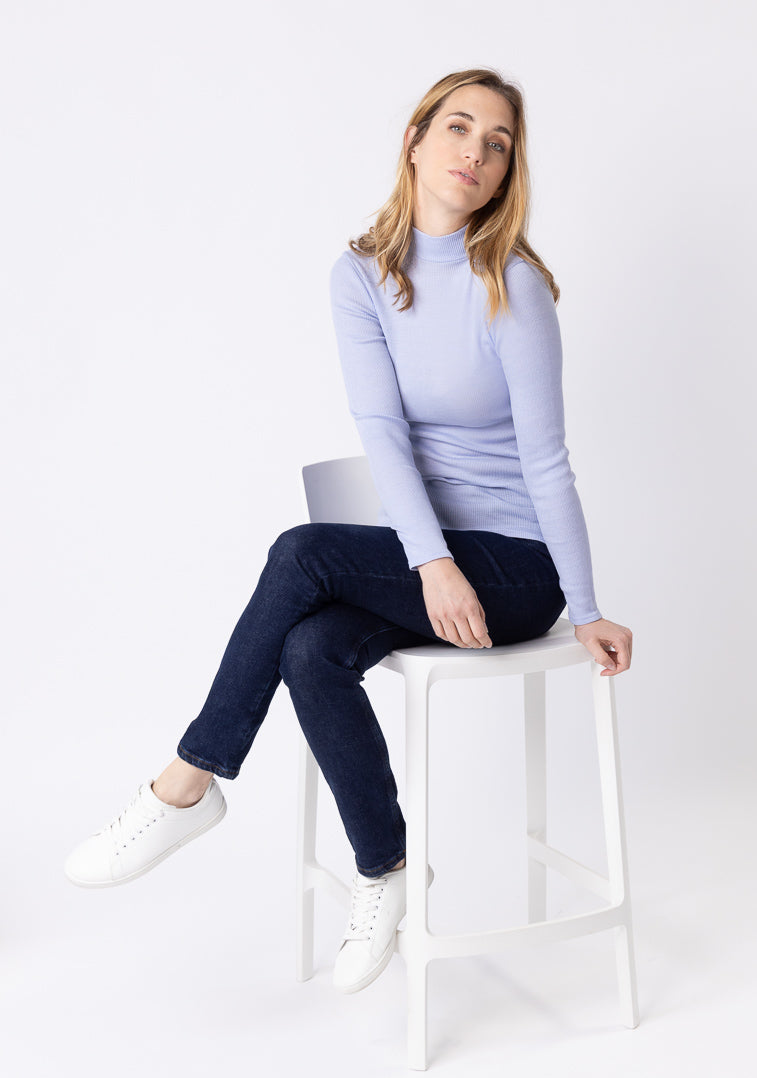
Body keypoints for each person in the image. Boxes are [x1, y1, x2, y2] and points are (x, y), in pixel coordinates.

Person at [64, 67, 633, 995]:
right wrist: (431, 561)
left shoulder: (512, 285)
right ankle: (389, 867)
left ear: (507, 173)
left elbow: (546, 462)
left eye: (497, 144)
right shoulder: (361, 277)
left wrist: (587, 604)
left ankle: (187, 781)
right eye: (459, 128)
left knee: (301, 551)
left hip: (518, 573)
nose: (476, 153)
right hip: (435, 568)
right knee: (310, 648)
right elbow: (384, 435)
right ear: (415, 139)